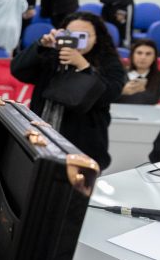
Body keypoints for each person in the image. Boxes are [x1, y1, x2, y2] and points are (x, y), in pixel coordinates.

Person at [10, 12, 125, 169]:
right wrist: (40, 46)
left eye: (83, 36)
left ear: (97, 37)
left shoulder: (109, 62)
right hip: (42, 137)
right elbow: (18, 70)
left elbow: (110, 93)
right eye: (71, 35)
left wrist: (84, 67)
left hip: (83, 143)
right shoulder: (53, 55)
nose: (76, 41)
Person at [117, 39, 160, 105]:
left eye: (148, 54)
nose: (143, 57)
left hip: (149, 115)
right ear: (132, 55)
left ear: (154, 58)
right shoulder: (117, 74)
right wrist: (122, 91)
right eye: (139, 53)